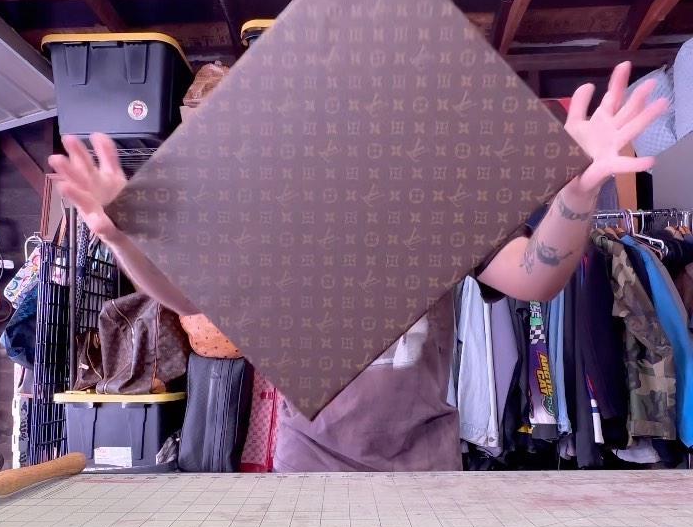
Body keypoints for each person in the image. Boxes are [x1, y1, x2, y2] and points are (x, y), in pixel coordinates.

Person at [49, 62, 665, 473]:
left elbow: (537, 276)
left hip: (424, 464)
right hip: (310, 464)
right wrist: (120, 237)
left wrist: (578, 191)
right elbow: (186, 297)